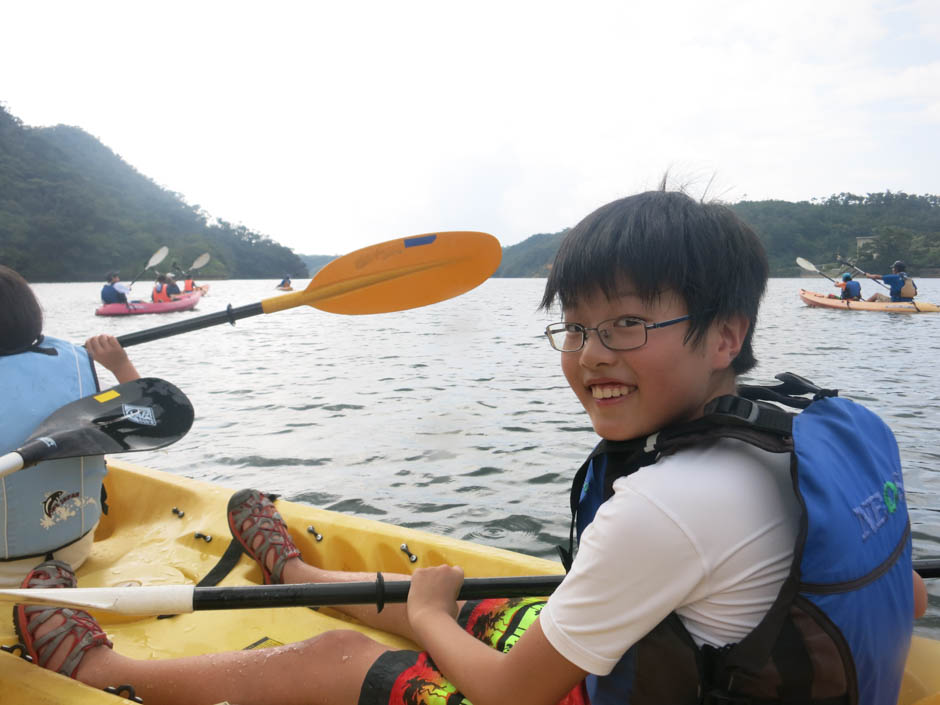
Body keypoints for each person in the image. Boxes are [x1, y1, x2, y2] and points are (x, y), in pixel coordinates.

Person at [11, 191, 928, 705]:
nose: (591, 356)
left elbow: (513, 696)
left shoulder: (665, 506)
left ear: (725, 334)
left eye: (629, 324)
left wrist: (438, 613)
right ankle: (292, 568)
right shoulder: (834, 426)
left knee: (333, 660)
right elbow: (911, 588)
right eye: (576, 327)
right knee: (502, 613)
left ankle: (105, 669)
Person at [0, 265, 141, 587]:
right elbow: (147, 416)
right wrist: (121, 365)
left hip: (5, 570)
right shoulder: (73, 364)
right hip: (74, 550)